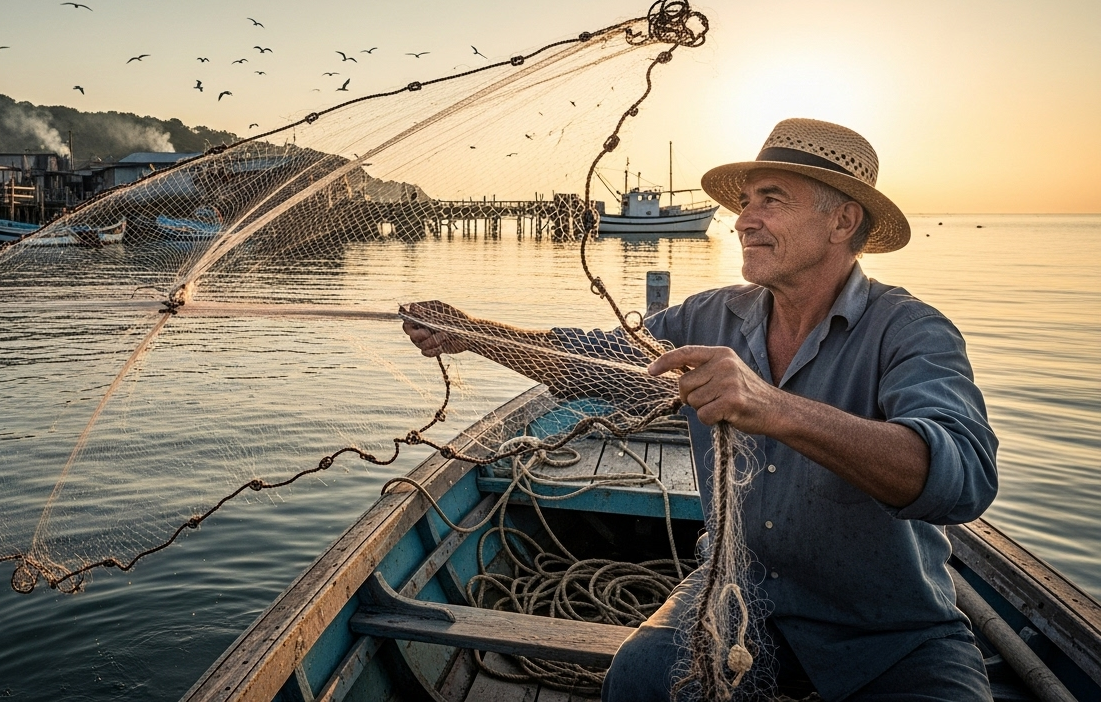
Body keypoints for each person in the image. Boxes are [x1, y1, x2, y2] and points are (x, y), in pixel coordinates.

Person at [401, 119, 997, 701]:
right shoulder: (710, 316)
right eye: (744, 202)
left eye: (772, 200)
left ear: (842, 220)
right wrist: (474, 332)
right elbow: (597, 364)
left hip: (887, 630)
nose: (744, 221)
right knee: (635, 683)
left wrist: (774, 407)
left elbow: (963, 479)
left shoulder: (912, 330)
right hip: (732, 600)